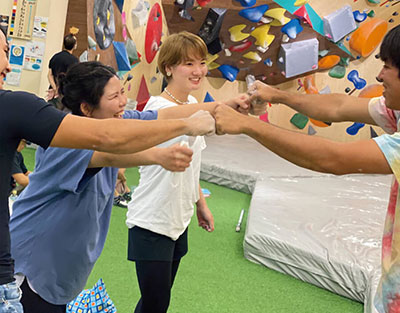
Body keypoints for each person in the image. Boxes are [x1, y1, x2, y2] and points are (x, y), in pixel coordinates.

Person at [0, 26, 216, 313]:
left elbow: (156, 116)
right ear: (87, 109)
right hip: (34, 265)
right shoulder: (65, 143)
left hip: (63, 272)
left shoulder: (116, 118)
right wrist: (161, 153)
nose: (122, 104)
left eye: (123, 93)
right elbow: (110, 150)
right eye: (114, 97)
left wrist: (223, 109)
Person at [214, 24, 400, 313]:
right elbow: (338, 107)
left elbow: (333, 159)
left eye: (387, 67)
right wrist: (279, 95)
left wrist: (248, 125)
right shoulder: (396, 110)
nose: (379, 75)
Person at [126, 31, 217, 313]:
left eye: (201, 63)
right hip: (152, 220)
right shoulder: (157, 108)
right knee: (156, 304)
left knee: (156, 303)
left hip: (178, 219)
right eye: (188, 64)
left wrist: (200, 203)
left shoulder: (191, 106)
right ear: (168, 68)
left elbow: (193, 165)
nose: (198, 70)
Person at [46, 33, 79, 108]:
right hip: (65, 93)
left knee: (50, 111)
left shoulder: (55, 56)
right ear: (74, 45)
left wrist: (54, 88)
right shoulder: (74, 60)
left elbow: (49, 75)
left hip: (53, 93)